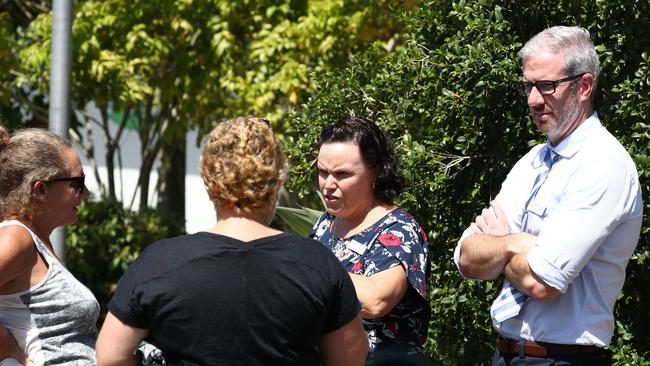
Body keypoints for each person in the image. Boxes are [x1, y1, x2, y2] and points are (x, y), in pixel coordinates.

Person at [96, 116, 368, 366]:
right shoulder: (317, 264)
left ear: (209, 181)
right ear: (276, 181)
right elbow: (348, 359)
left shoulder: (160, 262)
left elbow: (110, 356)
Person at [454, 26, 643, 365]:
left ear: (584, 86)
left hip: (564, 359)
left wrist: (498, 245)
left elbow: (542, 282)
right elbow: (467, 257)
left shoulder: (603, 165)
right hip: (506, 354)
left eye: (546, 86)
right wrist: (516, 242)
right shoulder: (533, 162)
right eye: (528, 86)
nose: (532, 100)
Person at [310, 116, 430, 364]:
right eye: (323, 172)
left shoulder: (399, 229)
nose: (328, 185)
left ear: (375, 171)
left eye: (341, 174)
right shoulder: (326, 223)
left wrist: (311, 266)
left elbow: (377, 300)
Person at [0, 126, 98, 365]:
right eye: (78, 183)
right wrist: (11, 352)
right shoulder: (16, 239)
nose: (86, 193)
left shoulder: (34, 239)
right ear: (41, 189)